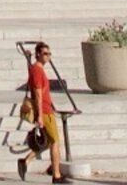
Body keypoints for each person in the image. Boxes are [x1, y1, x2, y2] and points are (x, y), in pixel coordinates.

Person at [17, 38, 76, 181]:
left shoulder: (36, 69)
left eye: (49, 54)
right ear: (38, 54)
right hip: (44, 110)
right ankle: (56, 175)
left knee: (49, 141)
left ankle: (25, 161)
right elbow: (37, 93)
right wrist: (40, 116)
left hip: (46, 109)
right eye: (45, 54)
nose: (48, 56)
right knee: (55, 141)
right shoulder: (37, 71)